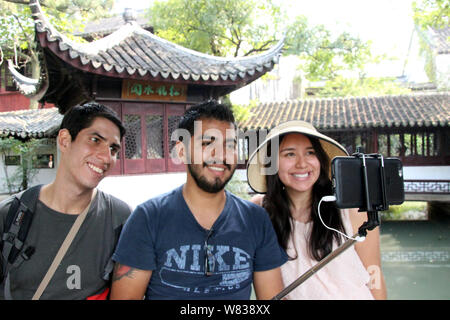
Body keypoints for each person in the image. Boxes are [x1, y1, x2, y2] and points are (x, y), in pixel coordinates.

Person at [110, 100, 287, 300]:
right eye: (207, 143)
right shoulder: (148, 218)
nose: (220, 155)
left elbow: (271, 297)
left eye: (230, 145)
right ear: (182, 151)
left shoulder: (256, 220)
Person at [0, 102, 131, 300]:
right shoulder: (11, 215)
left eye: (113, 149)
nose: (106, 157)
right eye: (95, 140)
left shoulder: (119, 218)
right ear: (64, 141)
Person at [247, 120, 387, 300]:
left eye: (310, 153)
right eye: (289, 154)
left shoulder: (352, 208)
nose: (302, 164)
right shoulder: (260, 210)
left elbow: (373, 273)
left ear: (320, 160)